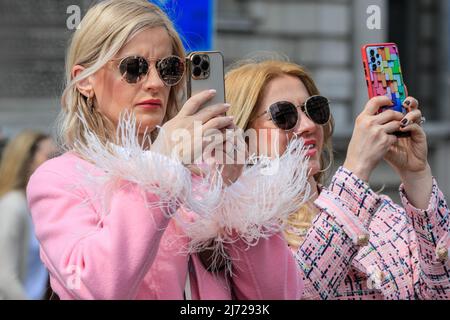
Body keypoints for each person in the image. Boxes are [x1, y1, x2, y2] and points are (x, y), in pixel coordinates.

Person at [26, 0, 307, 300]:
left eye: (169, 68)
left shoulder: (202, 173)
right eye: (133, 68)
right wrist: (159, 167)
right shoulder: (59, 178)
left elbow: (278, 295)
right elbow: (98, 286)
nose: (155, 83)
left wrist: (233, 191)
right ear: (84, 80)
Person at [225, 58, 450, 299]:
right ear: (242, 136)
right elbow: (300, 292)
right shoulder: (244, 231)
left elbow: (441, 291)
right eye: (283, 115)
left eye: (314, 109)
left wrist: (417, 175)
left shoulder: (379, 213)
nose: (309, 125)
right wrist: (356, 169)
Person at [0, 130, 57, 300]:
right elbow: (4, 276)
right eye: (49, 156)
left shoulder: (33, 205)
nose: (55, 163)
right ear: (27, 161)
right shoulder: (13, 205)